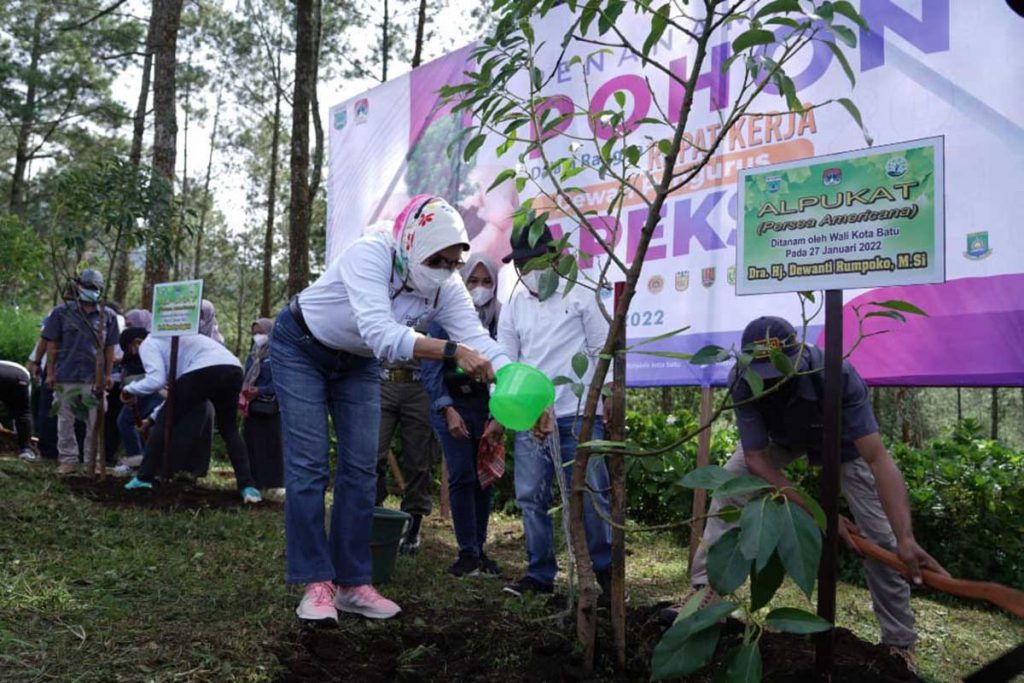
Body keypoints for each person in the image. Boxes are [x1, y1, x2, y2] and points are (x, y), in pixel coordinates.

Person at [272, 194, 510, 624]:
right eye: (438, 260)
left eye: (454, 262)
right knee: (309, 465)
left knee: (362, 467)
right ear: (412, 245)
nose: (447, 271)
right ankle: (316, 582)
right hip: (301, 347)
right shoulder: (371, 254)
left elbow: (481, 341)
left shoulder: (446, 286)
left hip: (357, 361)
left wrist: (518, 381)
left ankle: (351, 582)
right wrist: (452, 351)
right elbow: (382, 333)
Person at [675, 316, 947, 666]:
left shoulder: (837, 375)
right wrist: (819, 513)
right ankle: (705, 591)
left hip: (844, 442)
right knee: (730, 486)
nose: (773, 383)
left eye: (780, 372)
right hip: (780, 440)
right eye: (764, 376)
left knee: (881, 538)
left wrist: (905, 536)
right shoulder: (742, 380)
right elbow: (756, 459)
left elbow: (878, 459)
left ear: (799, 357)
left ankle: (899, 643)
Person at [496, 226, 615, 599]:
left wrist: (606, 397)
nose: (528, 269)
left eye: (535, 260)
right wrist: (516, 413)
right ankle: (540, 574)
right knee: (531, 496)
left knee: (593, 495)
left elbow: (602, 349)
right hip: (531, 417)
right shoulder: (514, 303)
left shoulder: (582, 291)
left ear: (554, 257)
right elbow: (505, 361)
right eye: (521, 263)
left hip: (579, 413)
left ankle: (605, 573)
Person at [420, 254, 505, 577]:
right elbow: (430, 370)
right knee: (461, 475)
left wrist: (499, 416)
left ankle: (480, 550)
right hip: (451, 405)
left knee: (484, 479)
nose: (479, 288)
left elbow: (506, 366)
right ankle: (466, 552)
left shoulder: (499, 320)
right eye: (473, 281)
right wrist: (447, 409)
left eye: (486, 282)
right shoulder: (443, 319)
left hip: (488, 409)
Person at [120, 331, 261, 504]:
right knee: (229, 430)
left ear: (137, 341)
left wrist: (129, 389)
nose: (136, 355)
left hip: (202, 371)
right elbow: (174, 399)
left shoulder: (149, 343)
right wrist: (150, 420)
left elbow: (155, 380)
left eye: (132, 350)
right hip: (233, 368)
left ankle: (143, 478)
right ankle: (248, 487)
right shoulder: (179, 341)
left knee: (165, 424)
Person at [42, 269, 119, 474]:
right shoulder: (62, 312)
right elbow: (52, 344)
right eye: (87, 287)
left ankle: (92, 461)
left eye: (95, 288)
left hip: (94, 378)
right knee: (65, 420)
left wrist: (108, 375)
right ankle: (67, 460)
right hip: (66, 375)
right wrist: (50, 372)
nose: (91, 291)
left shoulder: (107, 316)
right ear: (78, 287)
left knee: (95, 422)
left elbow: (109, 349)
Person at [242, 319, 284, 498]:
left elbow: (280, 383)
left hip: (271, 407)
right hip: (252, 408)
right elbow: (246, 376)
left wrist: (260, 391)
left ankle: (275, 483)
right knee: (252, 445)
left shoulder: (278, 355)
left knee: (272, 446)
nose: (257, 336)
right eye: (254, 333)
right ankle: (255, 482)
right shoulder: (253, 356)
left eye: (261, 332)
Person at [112, 327, 162, 476]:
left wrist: (132, 389)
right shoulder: (133, 356)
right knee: (139, 425)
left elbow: (153, 378)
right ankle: (143, 462)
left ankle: (139, 462)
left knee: (127, 422)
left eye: (134, 346)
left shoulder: (150, 351)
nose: (134, 352)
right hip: (139, 393)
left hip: (151, 392)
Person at [0, 360, 35, 461]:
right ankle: (26, 449)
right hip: (21, 374)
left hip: (14, 376)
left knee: (22, 413)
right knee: (22, 413)